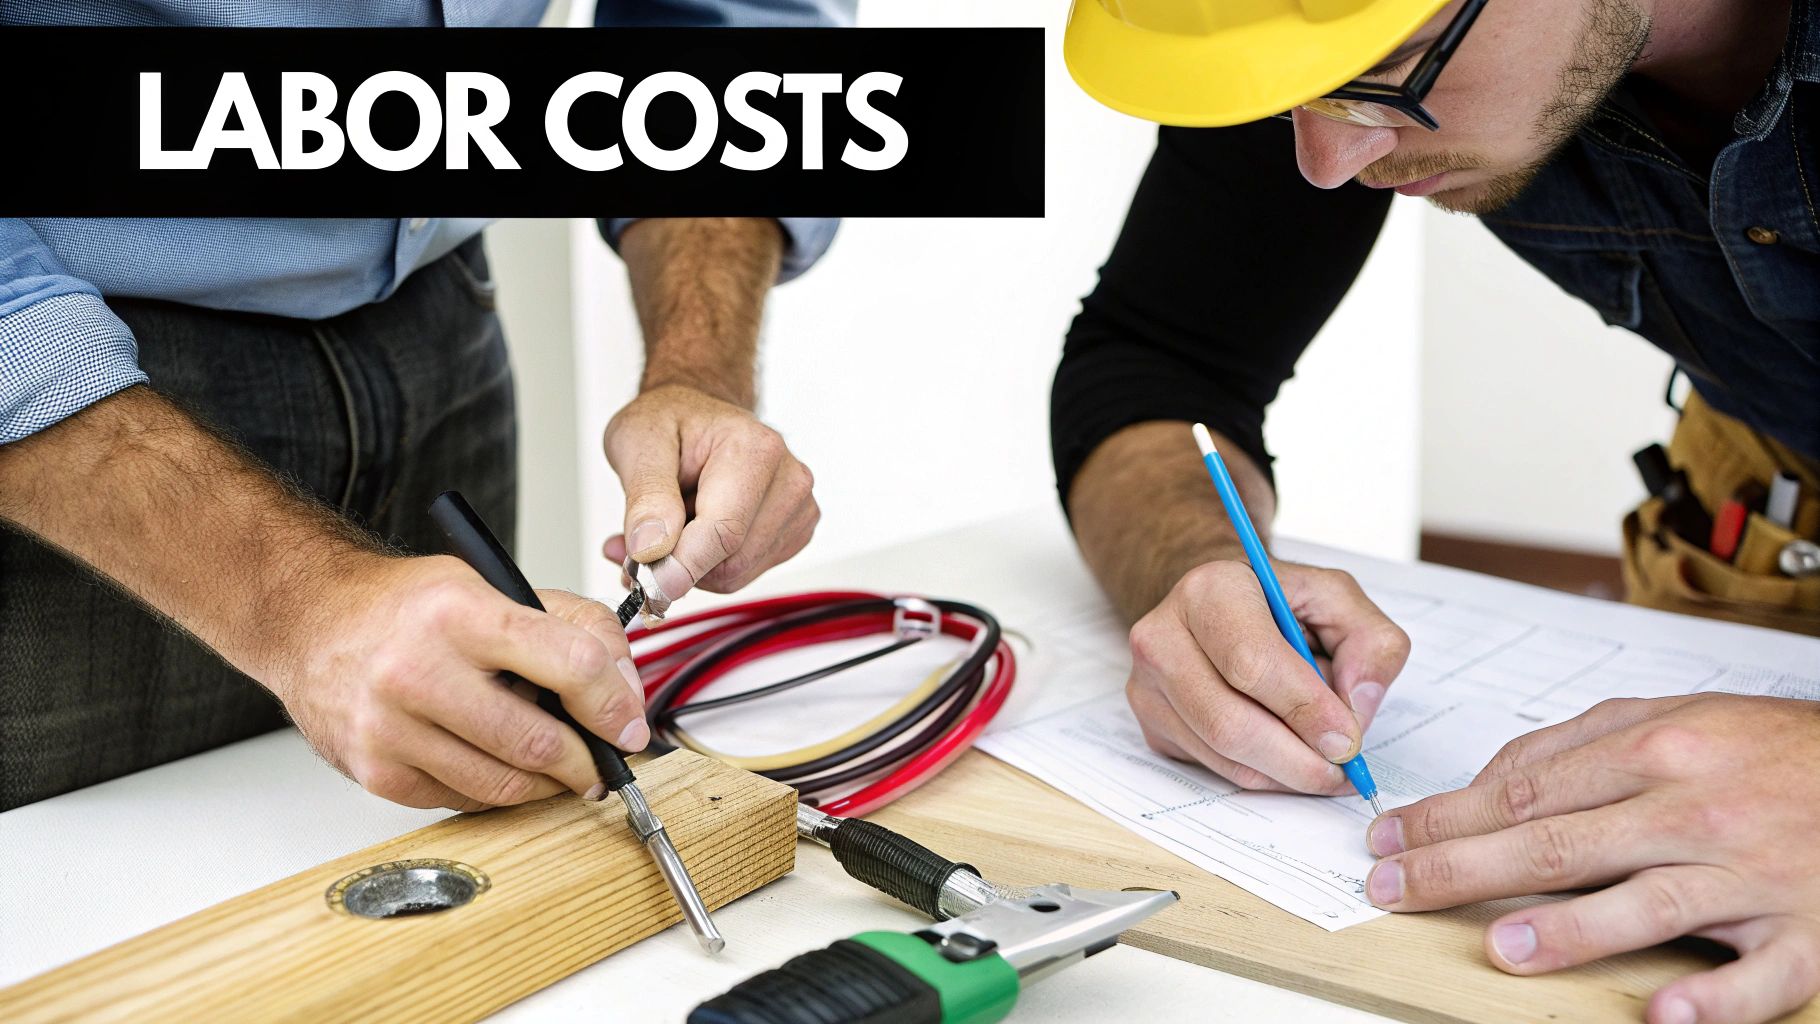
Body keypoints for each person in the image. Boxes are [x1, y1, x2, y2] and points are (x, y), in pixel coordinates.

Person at [1051, 1, 1820, 1022]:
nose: (1324, 160)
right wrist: (1196, 567)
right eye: (1294, 93)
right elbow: (1160, 358)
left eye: (1388, 69)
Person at [0, 0, 847, 814]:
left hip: (445, 322)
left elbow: (730, 24)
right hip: (69, 403)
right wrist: (298, 600)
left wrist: (698, 371)